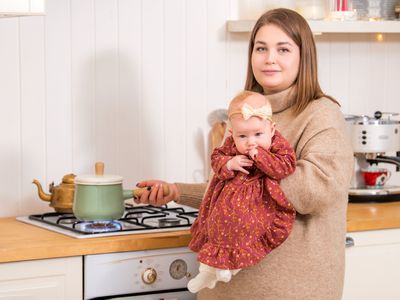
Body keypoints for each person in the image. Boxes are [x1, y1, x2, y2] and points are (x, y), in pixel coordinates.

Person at [135, 8, 353, 300]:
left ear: (304, 57)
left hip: (289, 291)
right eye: (261, 48)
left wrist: (253, 162)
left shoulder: (321, 113)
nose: (269, 58)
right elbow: (229, 191)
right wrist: (175, 191)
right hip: (226, 291)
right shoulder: (245, 113)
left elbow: (317, 189)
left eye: (283, 49)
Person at [187, 91, 296, 293]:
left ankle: (229, 267)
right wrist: (230, 162)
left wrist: (261, 157)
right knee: (215, 224)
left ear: (271, 129)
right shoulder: (230, 145)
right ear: (232, 134)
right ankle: (207, 272)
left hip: (256, 202)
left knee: (247, 226)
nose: (250, 142)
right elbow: (216, 159)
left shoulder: (278, 145)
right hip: (225, 199)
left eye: (257, 134)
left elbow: (286, 166)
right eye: (242, 136)